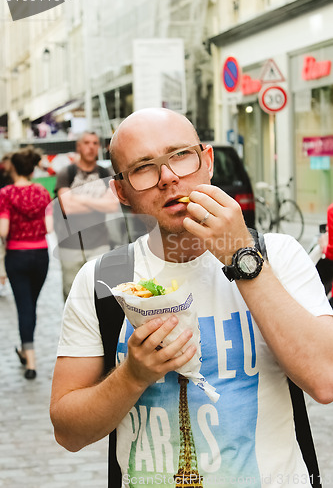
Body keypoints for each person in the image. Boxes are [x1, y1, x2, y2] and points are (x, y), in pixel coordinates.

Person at [50, 108, 333, 487]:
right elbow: (68, 432)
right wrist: (132, 376)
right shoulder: (103, 280)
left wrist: (240, 256)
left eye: (180, 156)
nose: (168, 177)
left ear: (207, 161)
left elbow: (324, 380)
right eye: (144, 167)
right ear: (121, 191)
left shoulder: (277, 256)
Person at [0, 146, 53, 379]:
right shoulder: (42, 192)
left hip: (17, 256)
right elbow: (50, 227)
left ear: (13, 167)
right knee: (30, 305)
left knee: (24, 307)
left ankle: (30, 362)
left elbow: (4, 230)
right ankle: (25, 351)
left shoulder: (6, 194)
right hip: (41, 254)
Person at [54, 131, 119, 300]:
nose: (91, 147)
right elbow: (67, 207)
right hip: (70, 244)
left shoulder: (105, 173)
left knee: (101, 294)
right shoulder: (67, 173)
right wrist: (98, 203)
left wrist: (78, 198)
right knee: (71, 294)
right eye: (87, 143)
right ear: (79, 147)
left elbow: (112, 205)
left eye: (95, 143)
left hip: (99, 243)